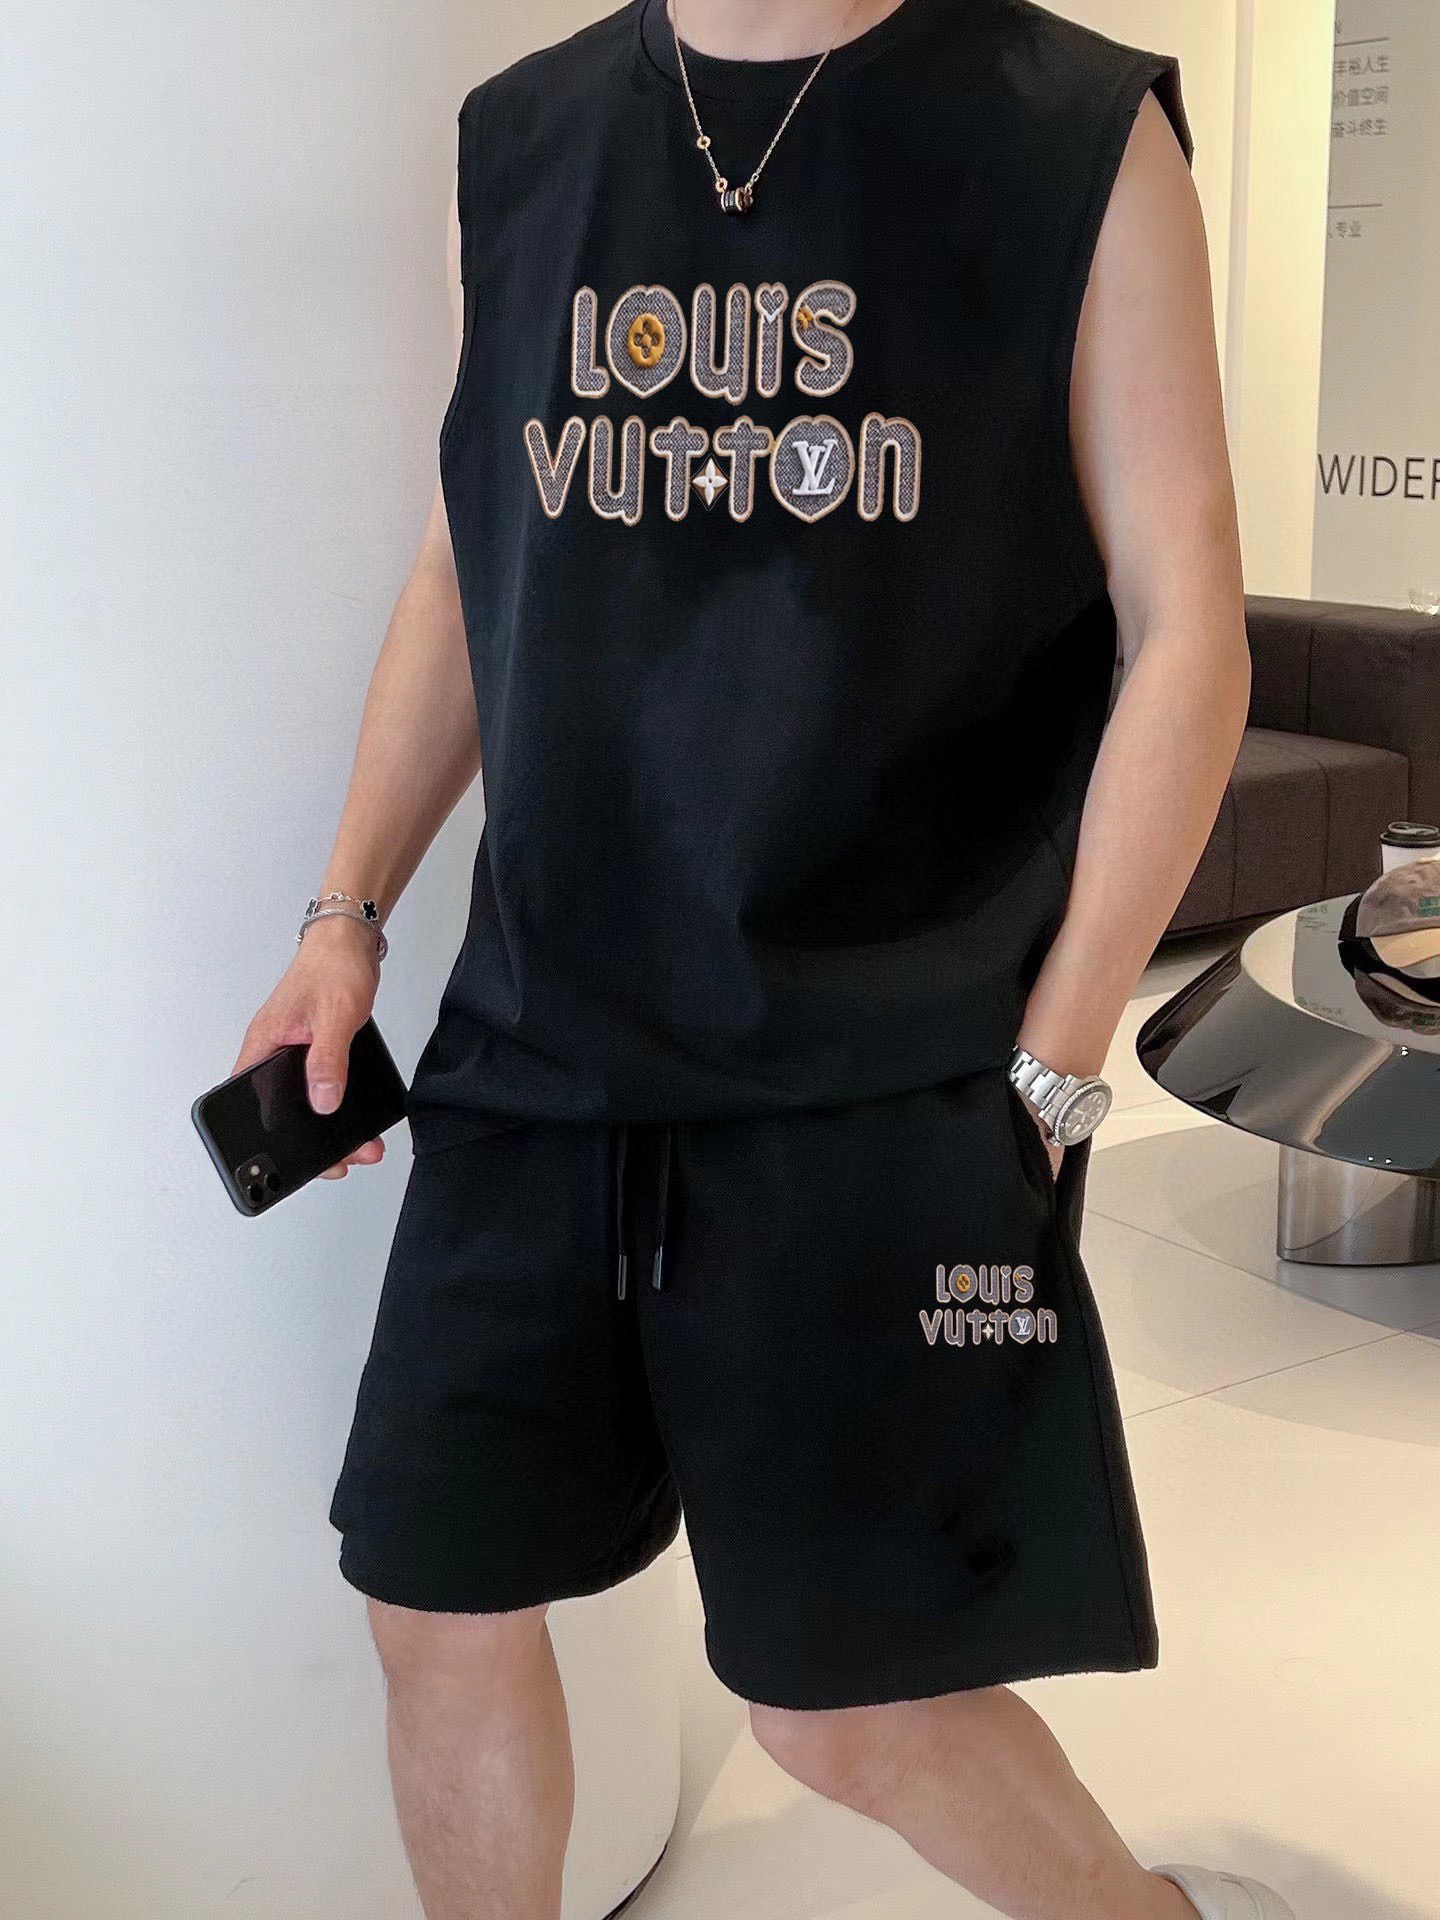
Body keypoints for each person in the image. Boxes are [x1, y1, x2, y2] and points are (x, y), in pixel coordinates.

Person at [234, 2, 1288, 1915]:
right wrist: (345, 912)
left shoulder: (1075, 132)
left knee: (848, 1706)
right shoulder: (525, 136)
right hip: (540, 1047)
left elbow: (1187, 623)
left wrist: (1058, 1056)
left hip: (883, 1067)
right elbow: (470, 566)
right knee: (434, 1599)